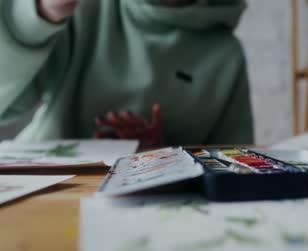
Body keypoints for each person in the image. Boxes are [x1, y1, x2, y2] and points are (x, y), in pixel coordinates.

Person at [0, 0, 254, 147]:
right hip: (41, 190)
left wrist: (162, 155)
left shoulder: (226, 55)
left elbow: (236, 168)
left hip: (156, 216)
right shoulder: (84, 9)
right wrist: (40, 13)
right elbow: (6, 108)